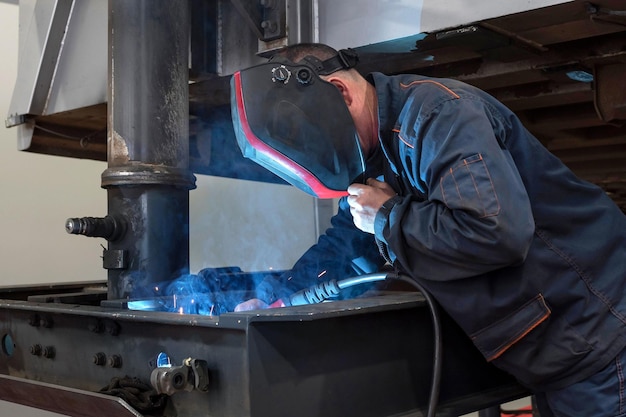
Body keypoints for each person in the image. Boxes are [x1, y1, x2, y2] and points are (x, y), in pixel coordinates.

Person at [232, 43, 626, 417]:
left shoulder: (438, 116)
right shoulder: (374, 155)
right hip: (563, 353)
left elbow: (495, 232)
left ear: (339, 91)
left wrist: (386, 216)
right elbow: (346, 241)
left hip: (600, 333)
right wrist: (279, 301)